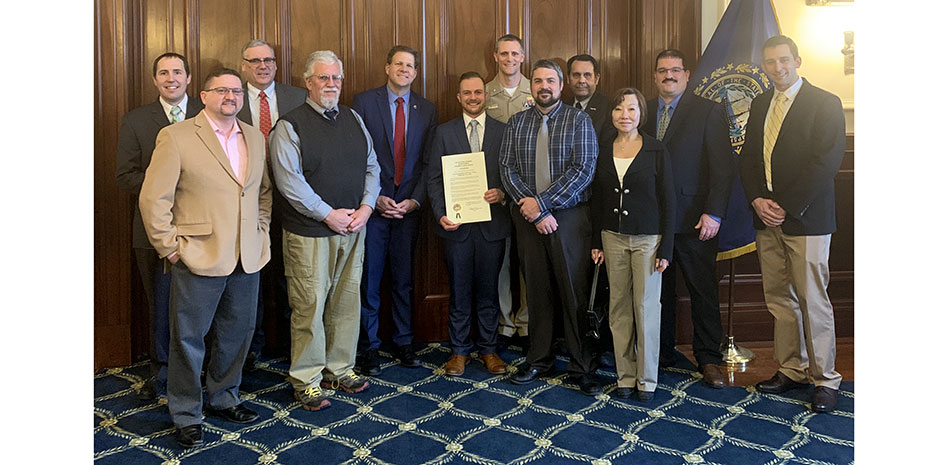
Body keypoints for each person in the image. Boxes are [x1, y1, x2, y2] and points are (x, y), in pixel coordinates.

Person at [139, 67, 271, 448]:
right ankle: (185, 412)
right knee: (188, 339)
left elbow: (262, 192)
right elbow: (154, 198)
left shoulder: (254, 136)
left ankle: (223, 397)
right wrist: (169, 247)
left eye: (236, 91)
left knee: (237, 334)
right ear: (204, 94)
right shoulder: (176, 136)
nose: (230, 96)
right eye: (221, 90)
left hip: (248, 256)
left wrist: (260, 230)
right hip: (196, 254)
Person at [269, 50, 380, 411]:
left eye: (336, 78)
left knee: (347, 302)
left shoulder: (353, 118)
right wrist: (328, 215)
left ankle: (340, 368)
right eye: (323, 78)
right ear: (308, 82)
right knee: (310, 306)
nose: (331, 84)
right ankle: (308, 378)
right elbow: (290, 183)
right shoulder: (289, 125)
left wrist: (366, 207)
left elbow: (372, 167)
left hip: (353, 228)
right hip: (309, 232)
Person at [740, 35, 845, 413]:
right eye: (770, 62)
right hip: (766, 218)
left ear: (797, 61)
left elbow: (826, 163)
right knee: (780, 299)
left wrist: (784, 205)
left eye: (784, 60)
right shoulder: (761, 102)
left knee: (812, 299)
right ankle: (791, 369)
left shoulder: (825, 103)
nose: (777, 67)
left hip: (807, 219)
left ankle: (825, 379)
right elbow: (749, 156)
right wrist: (757, 199)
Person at [500, 59, 600, 395]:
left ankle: (582, 364)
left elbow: (583, 169)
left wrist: (543, 204)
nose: (544, 86)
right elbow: (507, 168)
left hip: (569, 218)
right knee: (537, 292)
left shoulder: (579, 120)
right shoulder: (516, 123)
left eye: (551, 81)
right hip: (528, 218)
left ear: (562, 85)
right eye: (539, 80)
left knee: (574, 292)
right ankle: (538, 359)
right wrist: (532, 208)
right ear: (532, 86)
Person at [641, 49, 734, 389]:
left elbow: (723, 168)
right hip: (652, 221)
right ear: (654, 76)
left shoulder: (709, 111)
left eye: (675, 70)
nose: (669, 75)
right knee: (657, 292)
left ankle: (709, 358)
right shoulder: (644, 111)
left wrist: (715, 212)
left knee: (702, 292)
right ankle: (661, 353)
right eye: (663, 70)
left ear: (687, 74)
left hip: (696, 221)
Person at [115, 52, 203, 400]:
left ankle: (201, 371)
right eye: (164, 72)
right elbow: (124, 176)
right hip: (152, 231)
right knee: (161, 306)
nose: (171, 78)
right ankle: (162, 373)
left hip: (204, 229)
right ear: (155, 80)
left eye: (178, 71)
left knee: (201, 303)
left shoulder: (208, 113)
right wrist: (167, 187)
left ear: (189, 78)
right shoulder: (136, 120)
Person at [352, 45, 438, 375]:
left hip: (409, 210)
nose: (404, 69)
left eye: (410, 65)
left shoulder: (426, 109)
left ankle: (404, 341)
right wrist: (374, 199)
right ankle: (369, 347)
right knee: (369, 281)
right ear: (387, 68)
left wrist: (415, 200)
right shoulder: (363, 102)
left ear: (416, 73)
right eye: (398, 64)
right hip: (373, 209)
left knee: (404, 281)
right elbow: (357, 156)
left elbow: (427, 161)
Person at [591, 88, 675, 401]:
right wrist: (595, 240)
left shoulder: (655, 150)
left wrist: (666, 248)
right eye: (618, 109)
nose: (624, 116)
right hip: (611, 237)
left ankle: (647, 379)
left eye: (631, 109)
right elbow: (597, 199)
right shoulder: (602, 147)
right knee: (619, 309)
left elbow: (669, 201)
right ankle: (625, 377)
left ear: (641, 114)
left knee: (646, 307)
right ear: (611, 114)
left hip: (648, 240)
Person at [426, 71, 510, 377]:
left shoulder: (504, 130)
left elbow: (512, 173)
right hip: (456, 226)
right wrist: (440, 213)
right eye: (467, 93)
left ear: (485, 95)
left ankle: (489, 349)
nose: (473, 97)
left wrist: (502, 192)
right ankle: (459, 351)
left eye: (478, 92)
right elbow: (433, 179)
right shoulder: (444, 133)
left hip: (493, 226)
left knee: (489, 292)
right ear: (459, 97)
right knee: (459, 291)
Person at [236, 39, 308, 371]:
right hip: (246, 201)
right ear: (244, 65)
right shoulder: (232, 97)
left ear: (276, 65)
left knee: (289, 272)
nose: (263, 65)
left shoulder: (297, 97)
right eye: (255, 61)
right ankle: (252, 346)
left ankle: (287, 341)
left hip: (293, 199)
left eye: (269, 60)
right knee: (252, 274)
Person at [486, 33, 534, 349]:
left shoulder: (536, 90)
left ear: (522, 56)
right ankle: (504, 323)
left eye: (515, 54)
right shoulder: (484, 91)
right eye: (504, 54)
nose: (510, 59)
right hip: (493, 189)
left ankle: (527, 323)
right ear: (495, 57)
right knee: (501, 261)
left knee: (529, 261)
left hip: (528, 189)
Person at [565, 54, 616, 145]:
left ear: (596, 79)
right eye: (576, 75)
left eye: (587, 75)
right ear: (568, 79)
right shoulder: (562, 106)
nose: (581, 80)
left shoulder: (609, 107)